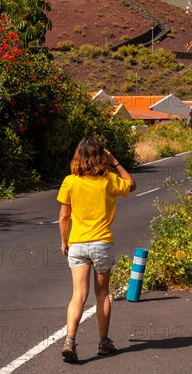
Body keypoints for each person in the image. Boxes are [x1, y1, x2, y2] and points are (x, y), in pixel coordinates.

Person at [57, 136, 136, 362]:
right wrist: (115, 162)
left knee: (78, 295)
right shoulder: (109, 180)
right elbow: (131, 184)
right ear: (101, 157)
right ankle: (103, 342)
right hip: (102, 243)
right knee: (101, 294)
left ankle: (70, 340)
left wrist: (65, 242)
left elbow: (64, 216)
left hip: (78, 244)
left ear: (78, 157)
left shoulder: (70, 181)